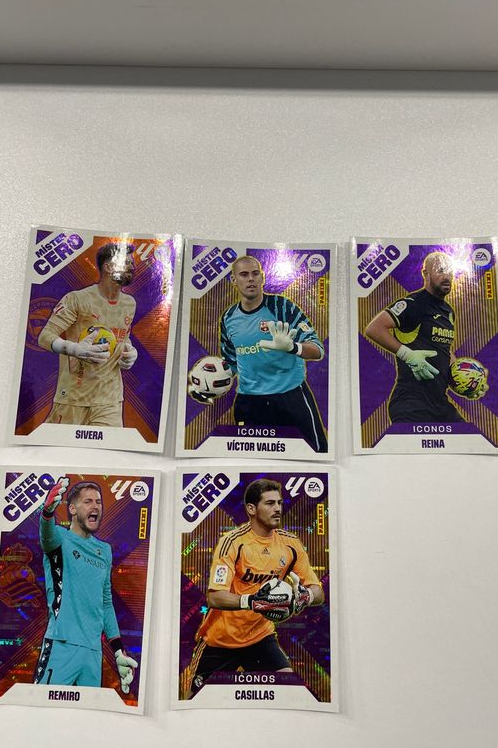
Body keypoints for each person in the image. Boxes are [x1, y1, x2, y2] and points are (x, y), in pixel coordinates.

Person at [185, 478, 323, 698]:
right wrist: (252, 601)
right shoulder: (233, 543)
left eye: (279, 503)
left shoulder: (291, 544)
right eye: (269, 503)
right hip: (219, 641)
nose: (277, 508)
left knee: (291, 694)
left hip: (260, 638)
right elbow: (215, 597)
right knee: (195, 702)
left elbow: (318, 591)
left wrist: (305, 597)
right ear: (251, 509)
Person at [33, 478, 138, 692]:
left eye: (98, 502)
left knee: (87, 713)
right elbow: (46, 535)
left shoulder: (104, 551)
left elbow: (106, 603)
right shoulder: (60, 537)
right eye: (88, 501)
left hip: (93, 652)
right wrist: (47, 513)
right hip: (62, 645)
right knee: (43, 708)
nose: (95, 506)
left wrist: (118, 651)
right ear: (72, 509)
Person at [216, 255, 328, 453]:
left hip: (290, 397)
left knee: (315, 456)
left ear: (263, 277)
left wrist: (293, 347)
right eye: (244, 274)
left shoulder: (282, 308)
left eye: (255, 273)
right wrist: (210, 383)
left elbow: (317, 349)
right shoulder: (228, 318)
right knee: (257, 462)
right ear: (234, 280)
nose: (250, 279)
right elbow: (230, 363)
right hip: (250, 403)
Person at [365, 251, 486, 424]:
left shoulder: (448, 311)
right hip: (411, 403)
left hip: (440, 403)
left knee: (469, 437)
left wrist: (464, 379)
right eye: (440, 270)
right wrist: (407, 354)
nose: (447, 276)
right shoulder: (414, 304)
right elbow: (374, 328)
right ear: (425, 274)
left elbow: (443, 349)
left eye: (450, 272)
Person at [38, 242, 138, 427]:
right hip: (73, 398)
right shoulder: (77, 299)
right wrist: (74, 349)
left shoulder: (129, 304)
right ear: (108, 267)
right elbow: (45, 337)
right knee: (60, 446)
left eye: (132, 262)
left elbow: (122, 336)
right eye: (126, 262)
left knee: (109, 446)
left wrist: (130, 351)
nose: (132, 266)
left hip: (110, 400)